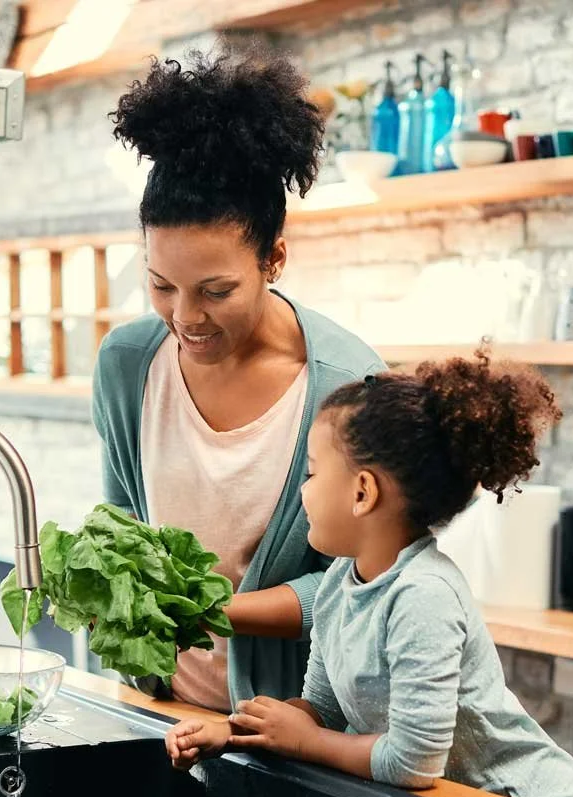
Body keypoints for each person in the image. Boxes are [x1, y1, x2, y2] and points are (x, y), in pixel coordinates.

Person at [165, 352, 573, 797]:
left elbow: (413, 762)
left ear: (362, 492)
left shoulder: (423, 596)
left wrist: (305, 742)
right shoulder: (336, 588)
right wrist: (236, 733)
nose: (302, 490)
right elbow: (319, 707)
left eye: (312, 473)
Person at [92, 44, 384, 712]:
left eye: (216, 290)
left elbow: (360, 587)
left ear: (274, 258)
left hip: (294, 736)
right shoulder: (127, 365)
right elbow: (121, 529)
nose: (185, 317)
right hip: (157, 714)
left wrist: (212, 612)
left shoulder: (349, 386)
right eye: (161, 285)